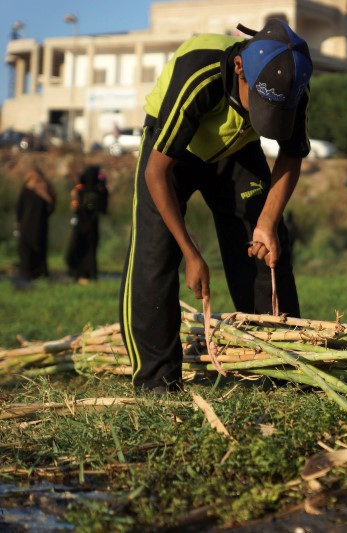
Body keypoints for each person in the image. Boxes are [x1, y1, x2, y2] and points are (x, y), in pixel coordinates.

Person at [119, 19, 313, 393]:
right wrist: (190, 252)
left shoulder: (294, 86)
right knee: (155, 254)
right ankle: (156, 380)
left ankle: (274, 367)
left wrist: (268, 222)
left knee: (265, 250)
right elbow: (157, 172)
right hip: (172, 150)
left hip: (236, 149)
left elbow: (291, 157)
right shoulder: (200, 73)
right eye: (257, 102)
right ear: (239, 67)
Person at [65, 164, 109, 282]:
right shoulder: (100, 191)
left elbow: (75, 208)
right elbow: (103, 209)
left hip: (80, 225)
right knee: (91, 251)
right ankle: (89, 274)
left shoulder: (80, 190)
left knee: (77, 249)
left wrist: (75, 198)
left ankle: (79, 274)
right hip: (92, 226)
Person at [15, 166, 56, 282]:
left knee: (39, 250)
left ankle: (40, 274)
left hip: (39, 226)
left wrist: (44, 194)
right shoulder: (26, 190)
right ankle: (26, 275)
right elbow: (19, 208)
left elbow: (51, 208)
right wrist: (18, 224)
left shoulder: (45, 189)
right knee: (26, 251)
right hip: (26, 226)